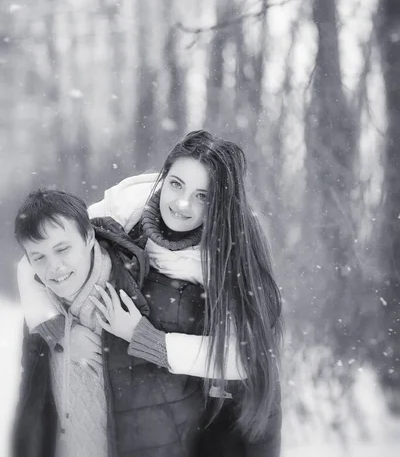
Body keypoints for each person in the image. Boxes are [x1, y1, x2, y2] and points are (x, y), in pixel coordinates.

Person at [16, 130, 283, 455]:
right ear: (163, 177)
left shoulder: (229, 259)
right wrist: (58, 331)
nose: (182, 203)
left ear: (221, 202)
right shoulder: (125, 209)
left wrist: (145, 338)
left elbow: (246, 357)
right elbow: (38, 257)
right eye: (176, 184)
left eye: (203, 195)